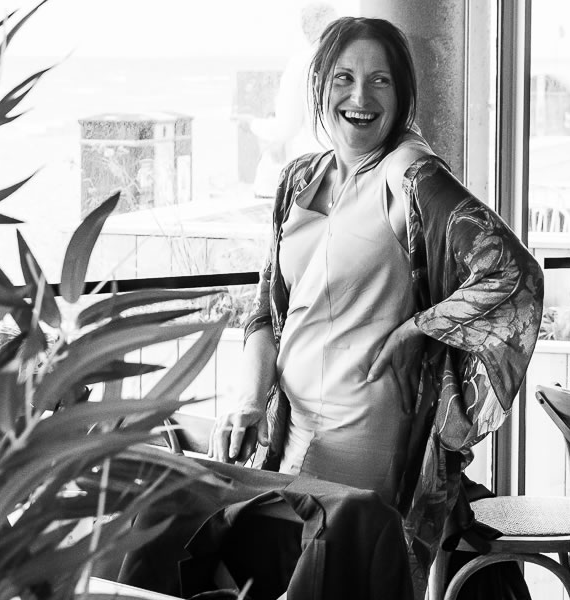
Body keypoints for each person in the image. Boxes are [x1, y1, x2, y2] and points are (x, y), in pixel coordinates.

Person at [208, 16, 543, 596]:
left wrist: (421, 328)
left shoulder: (407, 174)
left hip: (366, 446)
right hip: (286, 440)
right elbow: (264, 311)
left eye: (380, 80)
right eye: (344, 77)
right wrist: (247, 402)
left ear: (402, 94)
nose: (360, 97)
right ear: (320, 85)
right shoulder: (297, 179)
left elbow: (513, 273)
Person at [249, 2, 338, 197]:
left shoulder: (301, 63)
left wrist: (253, 125)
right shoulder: (349, 59)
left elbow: (286, 127)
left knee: (268, 173)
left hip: (314, 171)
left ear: (306, 30)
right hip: (348, 167)